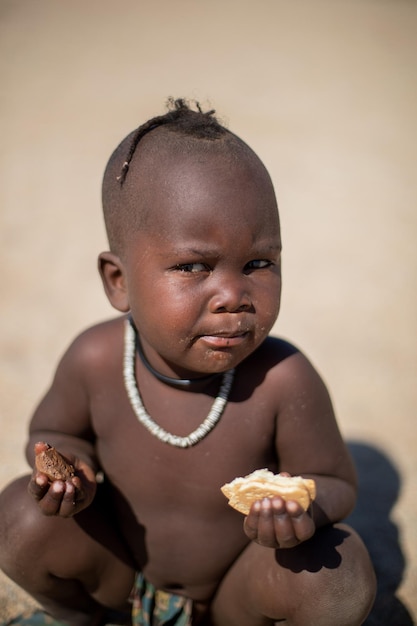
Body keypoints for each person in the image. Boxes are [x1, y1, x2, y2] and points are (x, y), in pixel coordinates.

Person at [0, 98, 376, 626]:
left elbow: (335, 482)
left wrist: (299, 514)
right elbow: (54, 432)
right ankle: (82, 619)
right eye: (193, 266)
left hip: (237, 599)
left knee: (338, 572)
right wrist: (71, 473)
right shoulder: (95, 359)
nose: (233, 295)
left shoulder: (282, 379)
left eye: (258, 263)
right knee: (19, 515)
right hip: (120, 578)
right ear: (120, 281)